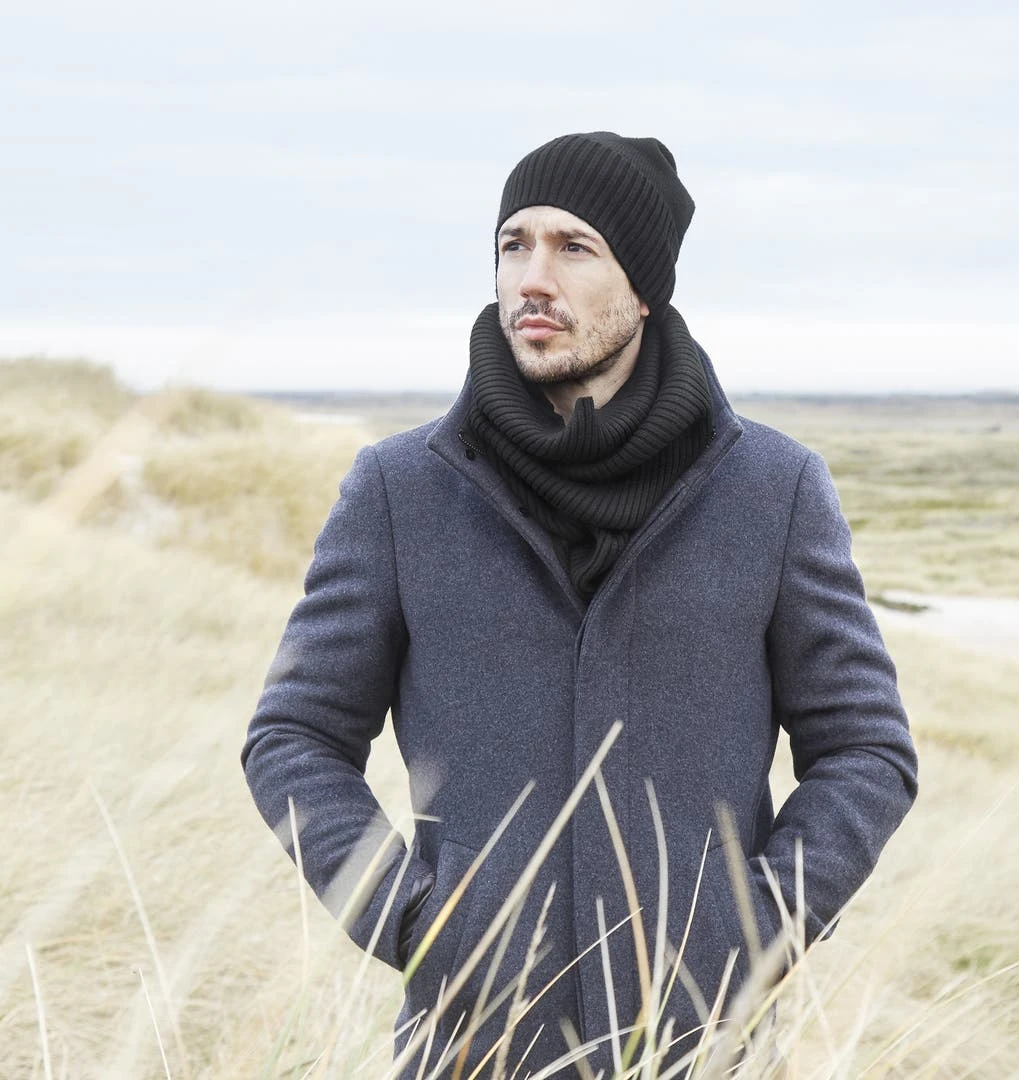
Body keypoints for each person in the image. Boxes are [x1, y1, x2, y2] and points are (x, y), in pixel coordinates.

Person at [241, 131, 918, 1076]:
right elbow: (294, 736)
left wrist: (755, 930)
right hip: (470, 1045)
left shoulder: (774, 489)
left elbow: (866, 749)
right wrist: (413, 921)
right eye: (513, 244)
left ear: (643, 289)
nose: (532, 278)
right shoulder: (400, 489)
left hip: (701, 1046)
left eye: (574, 247)